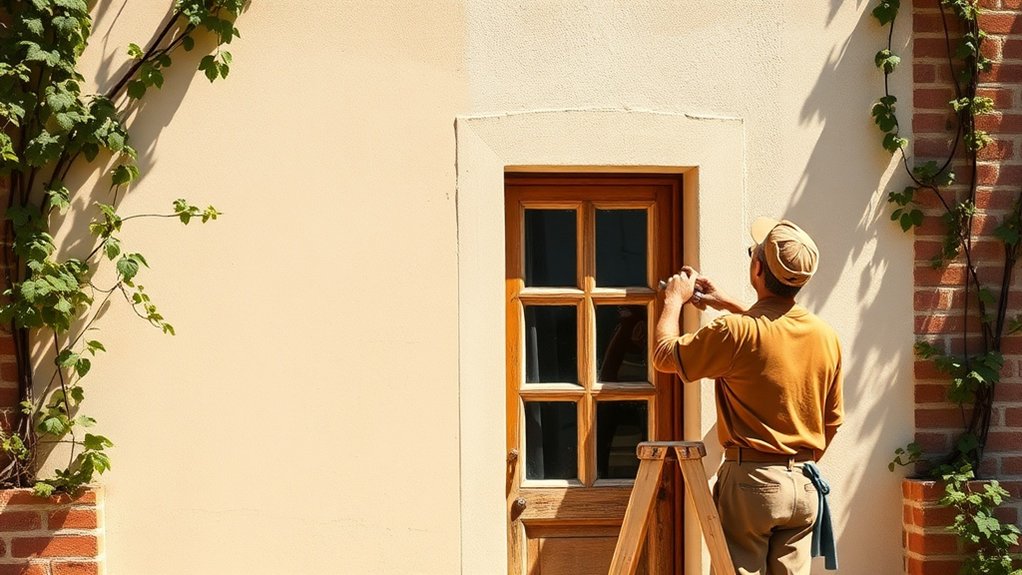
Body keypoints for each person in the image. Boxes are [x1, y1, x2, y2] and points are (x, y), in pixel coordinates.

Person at [651, 217, 843, 575]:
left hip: (751, 484)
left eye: (753, 252)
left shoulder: (735, 333)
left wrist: (674, 299)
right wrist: (727, 302)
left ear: (757, 269)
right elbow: (832, 421)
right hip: (804, 486)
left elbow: (664, 356)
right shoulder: (825, 336)